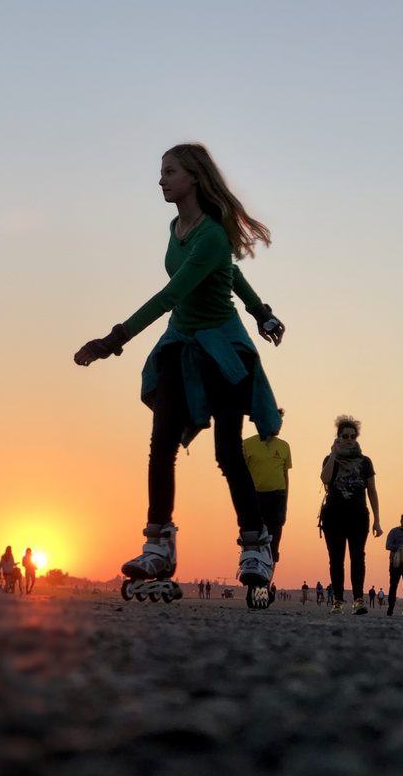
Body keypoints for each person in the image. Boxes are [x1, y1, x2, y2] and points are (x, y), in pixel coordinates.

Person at [74, 143, 285, 596]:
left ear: (193, 177)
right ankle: (159, 543)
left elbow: (173, 294)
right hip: (181, 343)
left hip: (222, 346)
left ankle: (256, 543)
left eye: (169, 171)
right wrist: (262, 309)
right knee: (161, 442)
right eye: (161, 172)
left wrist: (113, 341)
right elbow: (230, 273)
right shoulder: (177, 226)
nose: (161, 179)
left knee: (228, 452)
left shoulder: (210, 235)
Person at [320, 415, 382, 615]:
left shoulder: (365, 462)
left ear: (356, 438)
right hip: (333, 515)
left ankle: (358, 600)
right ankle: (337, 600)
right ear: (338, 438)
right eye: (344, 436)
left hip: (358, 515)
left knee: (358, 557)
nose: (348, 439)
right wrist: (333, 455)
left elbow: (372, 491)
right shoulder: (330, 459)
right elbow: (325, 479)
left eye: (352, 436)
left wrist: (377, 520)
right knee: (336, 559)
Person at [243, 417, 292, 565]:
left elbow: (285, 476)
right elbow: (241, 474)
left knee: (273, 543)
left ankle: (267, 583)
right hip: (255, 497)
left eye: (280, 422)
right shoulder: (247, 444)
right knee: (253, 539)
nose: (278, 425)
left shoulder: (284, 446)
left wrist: (285, 502)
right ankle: (252, 578)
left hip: (277, 497)